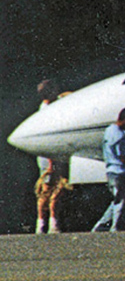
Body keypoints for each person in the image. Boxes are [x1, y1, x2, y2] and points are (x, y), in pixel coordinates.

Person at [92, 107, 125, 232]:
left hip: (111, 171)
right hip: (120, 172)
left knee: (116, 200)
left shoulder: (110, 130)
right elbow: (123, 157)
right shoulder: (120, 135)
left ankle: (100, 227)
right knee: (122, 201)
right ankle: (116, 229)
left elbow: (124, 149)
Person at [33, 80, 71, 234]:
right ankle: (46, 224)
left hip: (55, 155)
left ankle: (50, 223)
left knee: (57, 189)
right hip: (49, 156)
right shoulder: (46, 111)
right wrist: (50, 162)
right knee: (48, 190)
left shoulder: (55, 104)